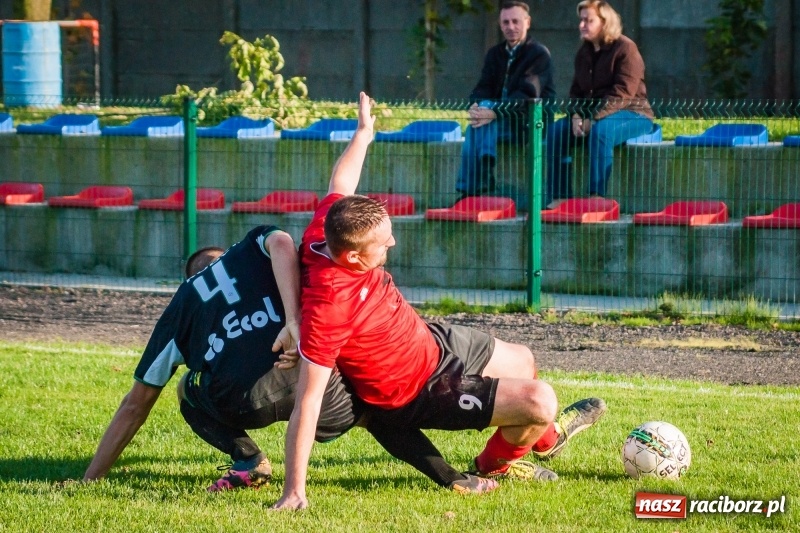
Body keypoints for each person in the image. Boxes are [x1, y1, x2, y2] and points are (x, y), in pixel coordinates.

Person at [272, 92, 606, 510]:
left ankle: (546, 440)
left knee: (523, 360)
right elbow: (308, 402)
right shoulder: (329, 307)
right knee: (541, 401)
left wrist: (363, 133)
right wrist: (294, 491)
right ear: (354, 257)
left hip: (428, 341)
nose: (393, 243)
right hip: (420, 390)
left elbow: (341, 184)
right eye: (383, 243)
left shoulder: (329, 228)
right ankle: (494, 465)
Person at [83, 228, 496, 495]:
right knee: (373, 413)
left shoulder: (180, 305)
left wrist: (91, 478)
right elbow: (282, 241)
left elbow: (136, 404)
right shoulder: (250, 250)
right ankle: (453, 478)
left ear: (189, 277)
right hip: (315, 383)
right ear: (222, 254)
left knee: (186, 390)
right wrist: (294, 320)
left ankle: (248, 459)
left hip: (241, 400)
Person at [545, 0, 654, 209]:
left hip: (633, 113)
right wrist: (576, 115)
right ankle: (560, 196)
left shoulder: (626, 48)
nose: (582, 25)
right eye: (581, 20)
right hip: (591, 115)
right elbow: (576, 92)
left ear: (605, 22)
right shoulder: (583, 53)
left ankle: (596, 196)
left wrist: (593, 120)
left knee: (601, 131)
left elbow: (622, 93)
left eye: (589, 21)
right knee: (556, 131)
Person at [456, 1, 556, 198]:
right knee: (478, 118)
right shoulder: (495, 54)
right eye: (505, 22)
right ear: (500, 25)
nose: (511, 27)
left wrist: (494, 112)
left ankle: (471, 188)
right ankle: (481, 179)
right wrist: (475, 105)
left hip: (527, 125)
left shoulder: (539, 54)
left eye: (515, 21)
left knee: (479, 122)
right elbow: (483, 86)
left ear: (527, 22)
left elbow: (527, 95)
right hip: (497, 124)